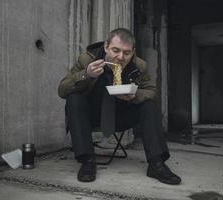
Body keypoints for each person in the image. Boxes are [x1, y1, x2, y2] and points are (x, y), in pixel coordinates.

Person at [58, 28, 181, 185]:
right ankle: (87, 161)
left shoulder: (139, 66)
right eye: (115, 50)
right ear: (106, 47)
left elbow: (151, 91)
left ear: (133, 52)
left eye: (127, 53)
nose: (120, 57)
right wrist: (86, 74)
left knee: (149, 105)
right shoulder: (86, 60)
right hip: (91, 116)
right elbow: (62, 90)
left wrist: (135, 96)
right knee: (74, 98)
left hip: (121, 116)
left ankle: (157, 164)